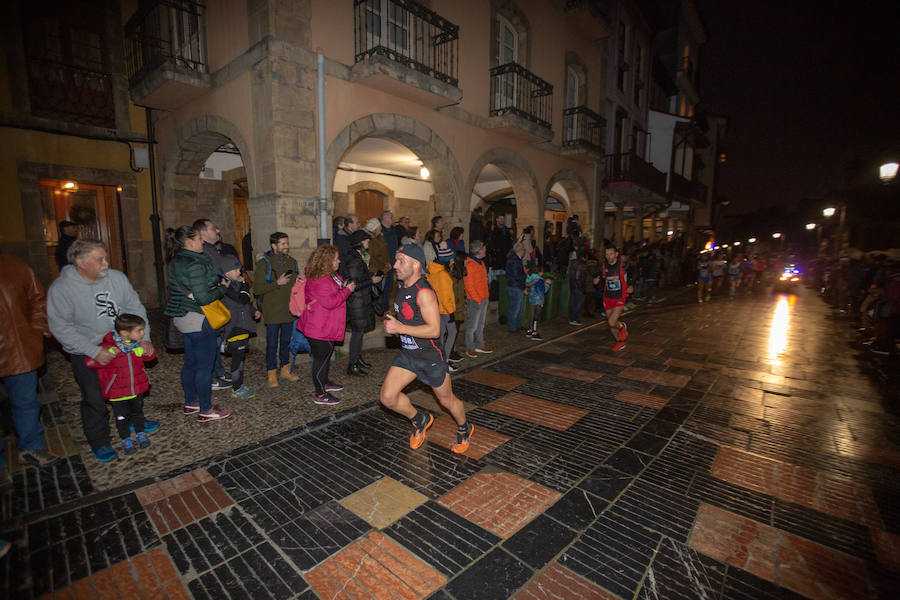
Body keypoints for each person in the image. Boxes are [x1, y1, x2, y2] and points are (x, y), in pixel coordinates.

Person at [48, 240, 156, 462]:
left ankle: (137, 420)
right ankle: (99, 440)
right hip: (88, 350)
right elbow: (61, 327)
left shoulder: (117, 279)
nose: (106, 263)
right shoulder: (62, 289)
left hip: (124, 345)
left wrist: (144, 338)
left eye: (105, 257)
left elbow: (134, 307)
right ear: (80, 262)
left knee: (133, 385)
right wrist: (92, 350)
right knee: (94, 397)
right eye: (100, 259)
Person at [379, 244, 474, 454]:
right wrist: (396, 322)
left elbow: (434, 330)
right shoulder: (402, 286)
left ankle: (464, 428)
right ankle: (420, 419)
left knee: (446, 400)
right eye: (396, 260)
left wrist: (400, 327)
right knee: (387, 397)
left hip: (430, 357)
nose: (395, 265)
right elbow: (410, 318)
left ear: (415, 264)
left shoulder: (424, 293)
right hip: (408, 355)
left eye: (400, 261)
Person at [0, 254, 61, 481]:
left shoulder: (15, 267)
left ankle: (31, 446)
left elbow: (38, 300)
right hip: (17, 345)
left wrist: (36, 331)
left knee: (26, 400)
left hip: (16, 346)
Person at [164, 227, 231, 422]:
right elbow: (203, 298)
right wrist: (221, 289)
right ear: (189, 242)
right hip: (198, 318)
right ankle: (206, 409)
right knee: (204, 366)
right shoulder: (194, 264)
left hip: (182, 317)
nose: (202, 242)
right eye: (199, 239)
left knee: (191, 362)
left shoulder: (176, 262)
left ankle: (190, 402)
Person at [84, 314, 156, 455]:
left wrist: (145, 351)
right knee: (121, 417)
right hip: (117, 392)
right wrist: (108, 354)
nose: (143, 334)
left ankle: (140, 433)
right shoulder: (108, 347)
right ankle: (125, 439)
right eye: (139, 331)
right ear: (124, 333)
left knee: (137, 413)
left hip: (135, 388)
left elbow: (151, 356)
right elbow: (91, 363)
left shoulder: (137, 345)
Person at [298, 244, 355, 404]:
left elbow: (332, 293)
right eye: (336, 259)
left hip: (325, 325)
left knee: (326, 355)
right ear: (328, 261)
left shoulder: (328, 276)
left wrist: (342, 288)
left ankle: (325, 383)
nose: (339, 261)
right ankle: (320, 394)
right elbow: (330, 301)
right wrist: (347, 290)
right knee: (321, 359)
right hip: (318, 327)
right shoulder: (320, 280)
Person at [254, 232, 300, 388]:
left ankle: (285, 370)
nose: (286, 246)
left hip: (288, 310)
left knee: (286, 342)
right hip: (272, 311)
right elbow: (258, 289)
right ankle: (271, 372)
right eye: (282, 243)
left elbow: (295, 285)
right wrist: (277, 283)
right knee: (272, 344)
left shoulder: (292, 262)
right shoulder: (264, 264)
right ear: (274, 245)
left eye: (287, 243)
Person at [192, 219, 231, 390]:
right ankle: (213, 376)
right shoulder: (203, 253)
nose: (217, 230)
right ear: (202, 233)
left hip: (217, 297)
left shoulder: (211, 249)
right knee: (211, 340)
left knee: (217, 338)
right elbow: (214, 273)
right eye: (213, 228)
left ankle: (219, 371)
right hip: (209, 301)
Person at [219, 255, 261, 399]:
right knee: (238, 359)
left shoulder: (235, 286)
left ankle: (238, 383)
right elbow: (242, 299)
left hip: (243, 326)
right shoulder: (226, 288)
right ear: (226, 272)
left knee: (241, 357)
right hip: (234, 327)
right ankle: (237, 388)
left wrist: (252, 310)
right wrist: (244, 285)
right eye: (235, 269)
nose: (239, 271)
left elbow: (243, 304)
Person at [345, 230, 383, 376]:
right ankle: (352, 365)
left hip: (361, 300)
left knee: (359, 333)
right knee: (357, 333)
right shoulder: (354, 259)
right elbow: (354, 284)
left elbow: (360, 277)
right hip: (357, 301)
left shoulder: (357, 256)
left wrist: (369, 276)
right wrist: (371, 281)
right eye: (366, 240)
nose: (368, 242)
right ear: (360, 242)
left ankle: (357, 359)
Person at [594, 244, 631, 351]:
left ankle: (622, 327)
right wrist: (597, 281)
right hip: (607, 297)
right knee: (611, 324)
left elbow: (635, 272)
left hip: (620, 297)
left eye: (611, 254)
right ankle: (620, 342)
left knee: (611, 322)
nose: (609, 256)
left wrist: (631, 284)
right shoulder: (603, 266)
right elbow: (600, 278)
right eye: (607, 254)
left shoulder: (622, 265)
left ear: (616, 254)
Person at [425, 246, 456, 371]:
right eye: (452, 259)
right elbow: (446, 296)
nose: (453, 261)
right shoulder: (443, 275)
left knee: (441, 333)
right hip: (444, 309)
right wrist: (451, 312)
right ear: (447, 260)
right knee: (452, 332)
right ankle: (445, 361)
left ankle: (438, 359)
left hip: (435, 308)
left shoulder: (432, 271)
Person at [463, 241, 492, 358]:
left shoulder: (480, 263)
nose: (485, 250)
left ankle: (479, 344)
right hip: (475, 300)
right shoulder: (470, 265)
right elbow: (469, 285)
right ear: (479, 251)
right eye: (484, 248)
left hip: (483, 297)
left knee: (481, 324)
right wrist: (477, 299)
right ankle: (469, 347)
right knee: (472, 326)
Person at [448, 250, 467, 365]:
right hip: (452, 309)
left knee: (455, 332)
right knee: (451, 333)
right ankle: (448, 354)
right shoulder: (451, 275)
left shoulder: (459, 273)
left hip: (458, 308)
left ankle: (452, 351)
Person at [524, 265, 551, 341]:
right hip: (538, 300)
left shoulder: (530, 278)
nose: (543, 273)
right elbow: (544, 290)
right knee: (536, 316)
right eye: (542, 271)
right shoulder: (539, 280)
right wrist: (547, 284)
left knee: (532, 315)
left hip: (532, 299)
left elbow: (528, 287)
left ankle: (529, 330)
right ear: (539, 272)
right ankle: (535, 333)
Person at [505, 241, 527, 333]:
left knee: (519, 308)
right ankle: (513, 327)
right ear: (520, 250)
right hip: (515, 286)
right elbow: (516, 275)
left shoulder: (514, 259)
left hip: (516, 285)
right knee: (515, 308)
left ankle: (517, 325)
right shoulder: (515, 260)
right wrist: (525, 274)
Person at [568, 250, 587, 325]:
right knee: (577, 303)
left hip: (573, 285)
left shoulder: (573, 263)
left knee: (575, 302)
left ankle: (573, 318)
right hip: (578, 286)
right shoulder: (581, 264)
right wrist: (581, 287)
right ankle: (574, 319)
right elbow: (578, 277)